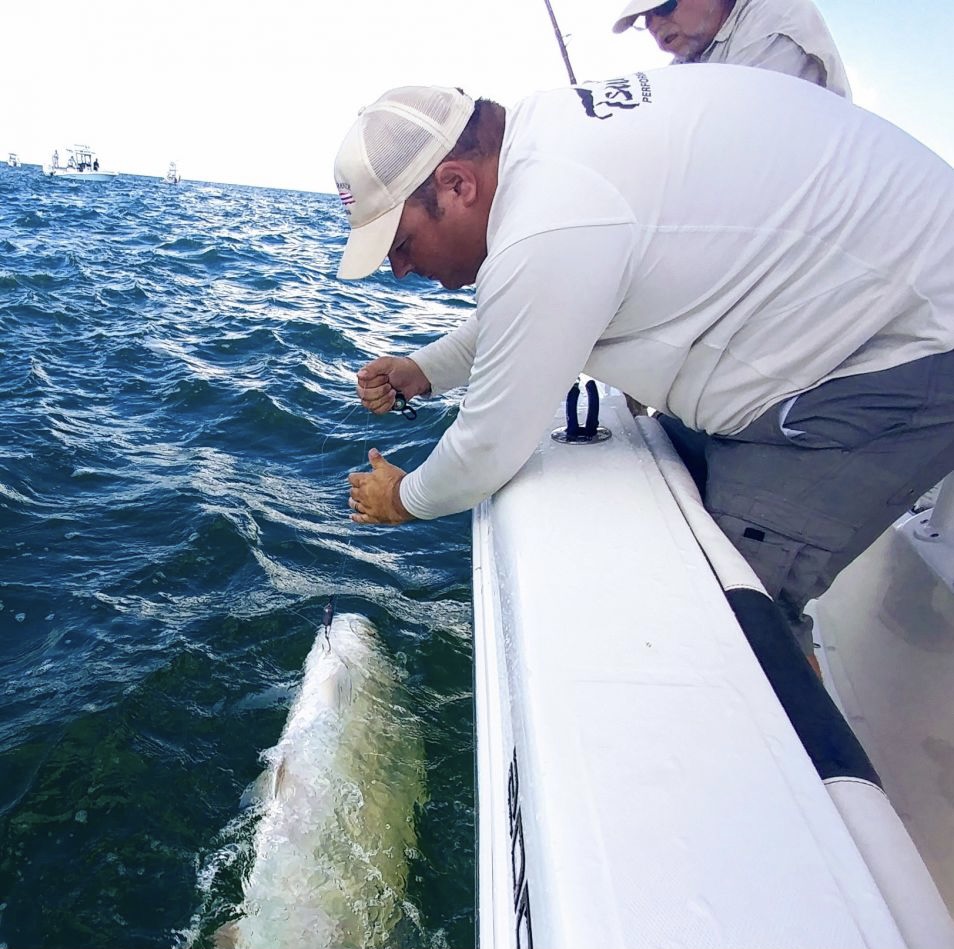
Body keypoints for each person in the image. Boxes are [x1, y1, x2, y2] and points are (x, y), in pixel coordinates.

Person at [337, 68, 954, 657]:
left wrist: (403, 498)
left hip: (902, 346)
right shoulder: (552, 152)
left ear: (456, 184)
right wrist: (424, 369)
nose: (399, 270)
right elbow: (537, 305)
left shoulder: (551, 219)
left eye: (402, 243)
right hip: (862, 314)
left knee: (725, 622)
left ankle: (809, 761)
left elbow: (488, 447)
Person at [610, 0, 851, 98]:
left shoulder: (771, 21)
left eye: (664, 6)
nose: (653, 25)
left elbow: (745, 139)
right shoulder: (691, 56)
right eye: (645, 18)